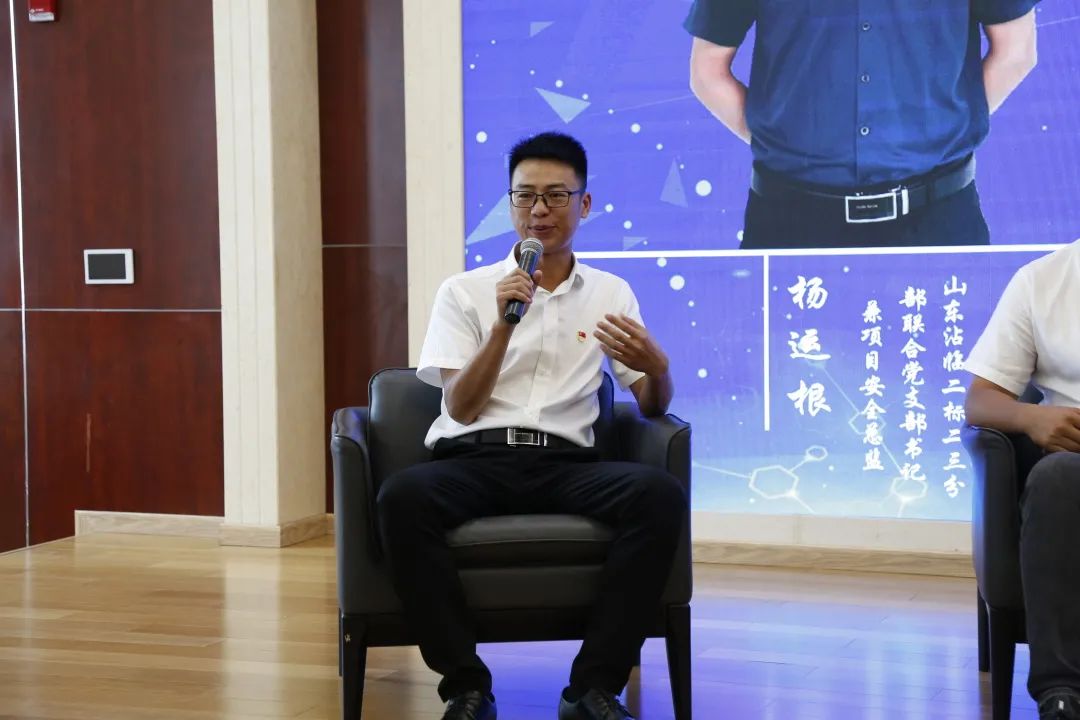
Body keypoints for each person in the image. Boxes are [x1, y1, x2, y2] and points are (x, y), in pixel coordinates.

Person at [376, 131, 686, 720]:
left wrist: (659, 367)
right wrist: (503, 325)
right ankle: (466, 688)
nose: (539, 210)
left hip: (567, 464)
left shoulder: (610, 293)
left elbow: (650, 405)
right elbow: (460, 408)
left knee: (658, 495)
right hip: (474, 459)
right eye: (525, 196)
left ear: (583, 204)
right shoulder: (464, 292)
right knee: (401, 498)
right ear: (510, 203)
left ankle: (592, 689)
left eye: (555, 195)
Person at [684, 0, 1040, 249]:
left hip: (938, 217)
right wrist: (781, 140)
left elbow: (1016, 50)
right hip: (790, 219)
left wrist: (945, 129)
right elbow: (708, 70)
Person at [965, 240, 1080, 720]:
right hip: (1075, 460)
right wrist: (1033, 418)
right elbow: (980, 400)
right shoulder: (1043, 280)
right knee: (1056, 477)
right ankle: (1061, 694)